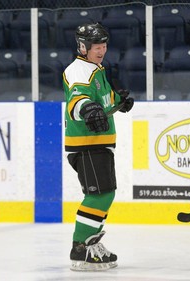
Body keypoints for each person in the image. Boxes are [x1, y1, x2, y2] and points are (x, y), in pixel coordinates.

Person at [62, 23, 134, 271]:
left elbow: (103, 102)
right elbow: (77, 99)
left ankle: (89, 244)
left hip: (97, 142)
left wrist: (119, 102)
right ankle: (81, 248)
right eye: (96, 46)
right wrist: (87, 108)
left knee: (104, 193)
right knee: (99, 195)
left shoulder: (96, 69)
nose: (101, 50)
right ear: (83, 47)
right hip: (87, 143)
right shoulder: (77, 70)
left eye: (104, 45)